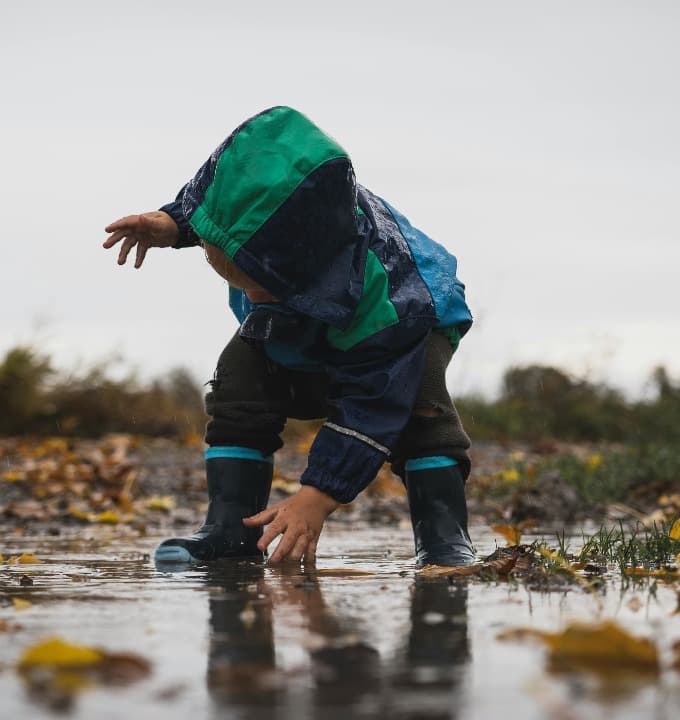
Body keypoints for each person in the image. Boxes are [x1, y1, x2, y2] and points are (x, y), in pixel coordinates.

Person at [102, 106, 475, 567]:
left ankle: (443, 537)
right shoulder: (259, 222)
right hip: (306, 311)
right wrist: (175, 224)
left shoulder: (390, 308)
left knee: (420, 409)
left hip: (412, 323)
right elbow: (227, 206)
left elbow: (372, 404)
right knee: (239, 376)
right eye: (223, 264)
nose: (250, 296)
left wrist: (316, 498)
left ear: (299, 263)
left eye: (259, 281)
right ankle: (230, 528)